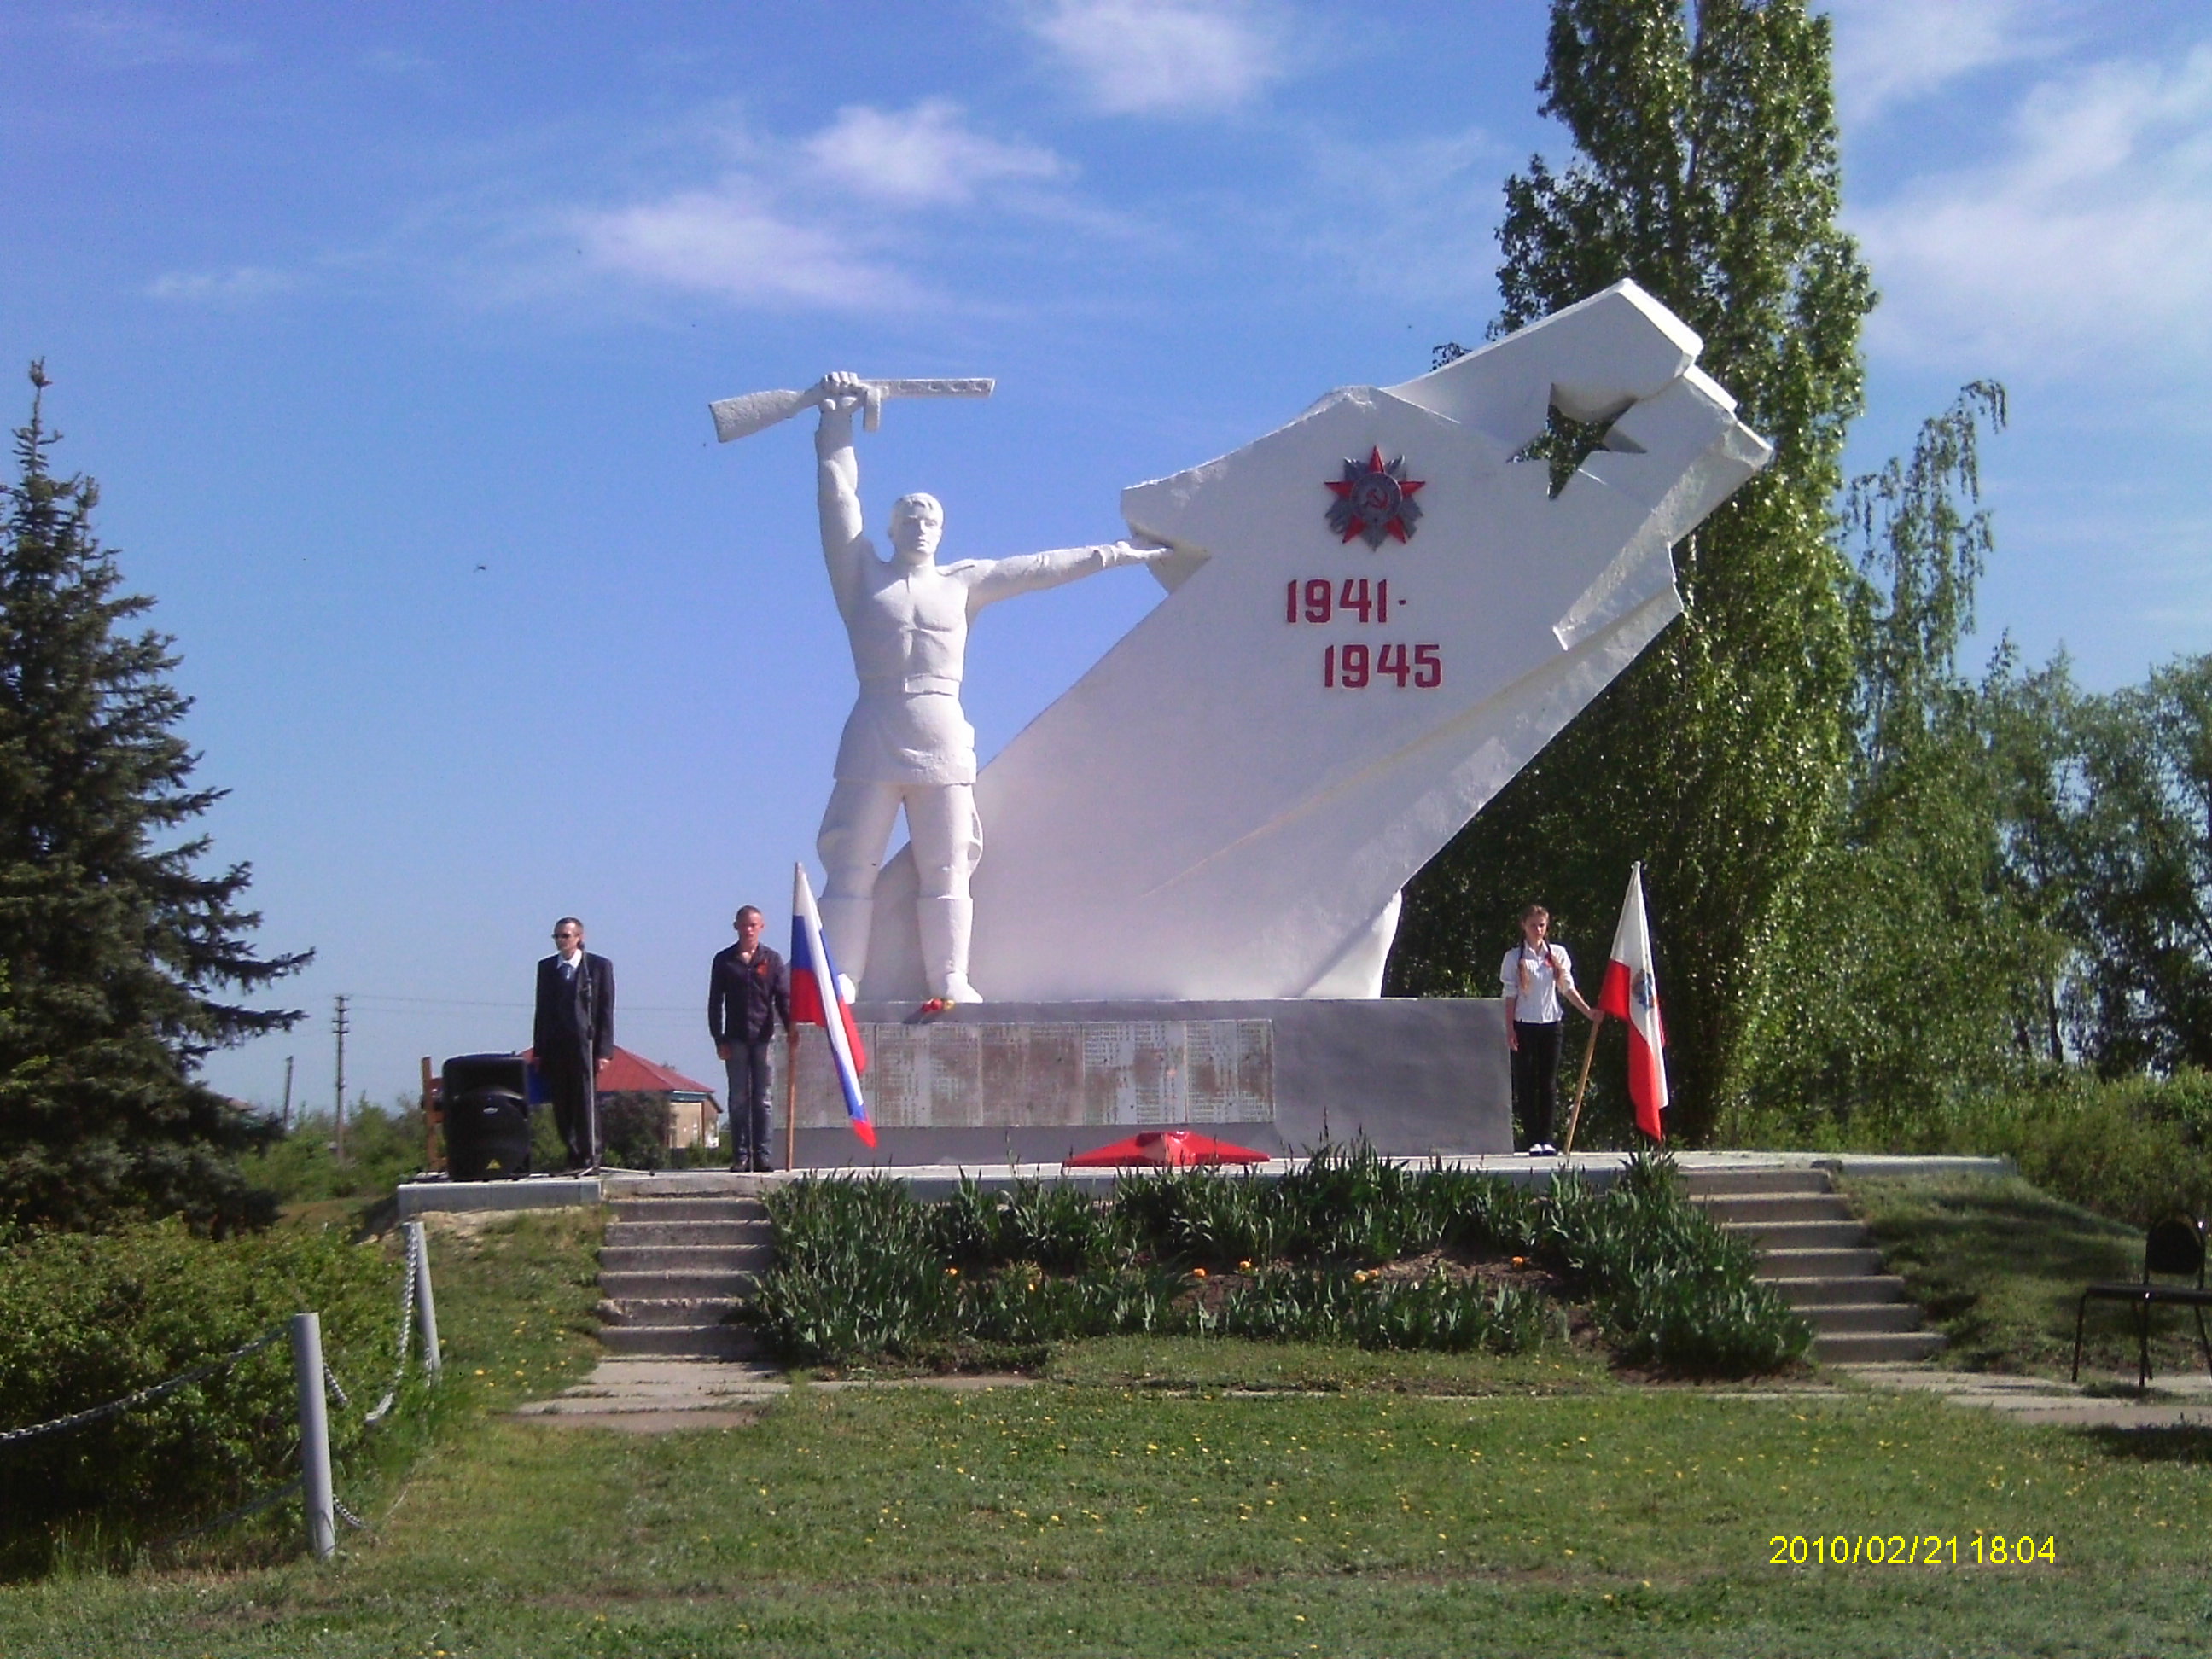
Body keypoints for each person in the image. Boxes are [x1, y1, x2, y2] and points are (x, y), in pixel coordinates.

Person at [807, 370, 1170, 1003]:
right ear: (891, 528)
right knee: (851, 864)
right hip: (875, 725)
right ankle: (844, 979)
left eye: (931, 517)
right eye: (909, 515)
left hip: (943, 729)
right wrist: (836, 428)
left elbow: (1037, 570)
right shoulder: (862, 576)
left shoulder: (964, 582)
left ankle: (950, 977)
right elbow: (839, 507)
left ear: (943, 531)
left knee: (948, 868)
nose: (920, 524)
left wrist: (1114, 553)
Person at [1500, 903, 1594, 1155]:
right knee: (1526, 1082)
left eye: (1542, 925)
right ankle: (1532, 1139)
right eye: (1533, 925)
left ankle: (1547, 1139)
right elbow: (1510, 995)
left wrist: (1589, 1012)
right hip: (1524, 1025)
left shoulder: (1557, 955)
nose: (1538, 930)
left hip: (1551, 1024)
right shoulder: (1514, 958)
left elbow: (1567, 987)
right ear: (1524, 926)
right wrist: (1509, 1028)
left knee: (1548, 1082)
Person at [708, 904, 790, 1172]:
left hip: (764, 1037)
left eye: (753, 925)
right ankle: (741, 1156)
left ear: (761, 927)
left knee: (763, 1099)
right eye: (744, 925)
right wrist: (718, 1038)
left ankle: (763, 1155)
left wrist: (792, 1030)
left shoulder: (772, 959)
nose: (748, 930)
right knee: (738, 1098)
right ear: (736, 927)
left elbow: (782, 998)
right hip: (735, 1038)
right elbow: (714, 1002)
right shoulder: (724, 960)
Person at [533, 917, 614, 1170]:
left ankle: (592, 1154)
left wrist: (604, 1051)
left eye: (565, 936)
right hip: (556, 1046)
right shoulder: (547, 968)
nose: (561, 941)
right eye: (557, 937)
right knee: (562, 1102)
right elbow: (542, 1010)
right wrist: (539, 1049)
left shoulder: (597, 967)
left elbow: (605, 1010)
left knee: (585, 1100)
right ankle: (573, 1153)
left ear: (579, 938)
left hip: (585, 1044)